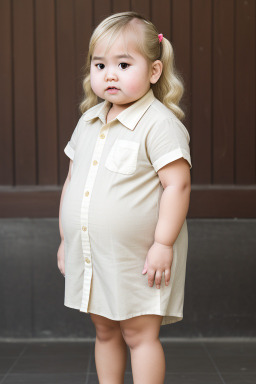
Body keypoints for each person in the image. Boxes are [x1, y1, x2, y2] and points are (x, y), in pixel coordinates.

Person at [57, 11, 192, 384]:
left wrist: (163, 244)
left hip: (141, 257)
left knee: (139, 333)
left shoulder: (159, 124)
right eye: (100, 65)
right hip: (93, 252)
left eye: (123, 64)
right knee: (104, 330)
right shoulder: (87, 122)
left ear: (153, 71)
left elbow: (177, 186)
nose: (109, 74)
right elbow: (72, 181)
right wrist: (67, 239)